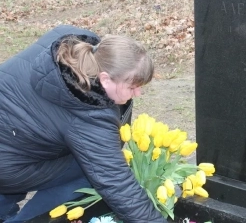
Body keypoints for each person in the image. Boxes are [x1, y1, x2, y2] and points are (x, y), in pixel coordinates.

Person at [0, 25, 167, 223]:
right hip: (8, 166)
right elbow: (115, 182)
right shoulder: (90, 112)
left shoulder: (70, 41)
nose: (137, 93)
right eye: (132, 87)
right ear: (104, 79)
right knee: (87, 171)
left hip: (12, 136)